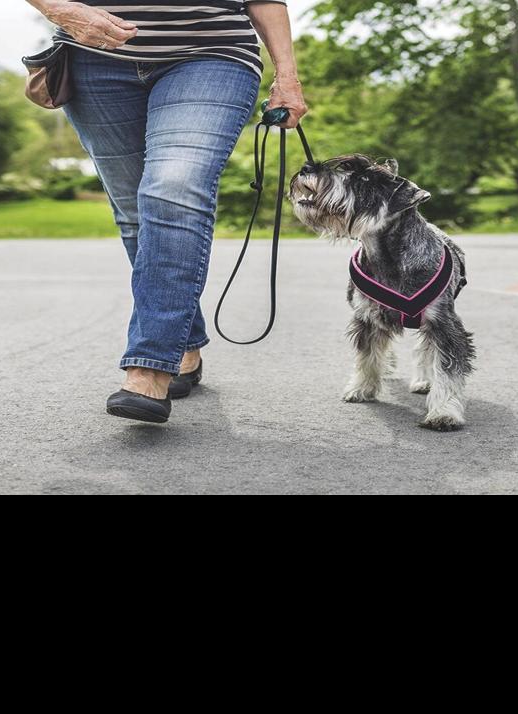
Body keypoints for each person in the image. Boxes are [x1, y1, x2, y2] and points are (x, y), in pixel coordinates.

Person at [24, 0, 308, 423]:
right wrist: (61, 9)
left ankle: (150, 366)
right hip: (95, 59)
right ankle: (183, 343)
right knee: (135, 212)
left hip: (211, 54)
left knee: (172, 189)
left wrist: (287, 75)